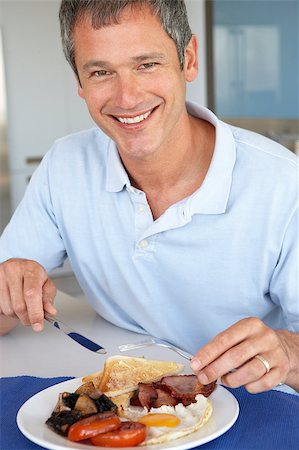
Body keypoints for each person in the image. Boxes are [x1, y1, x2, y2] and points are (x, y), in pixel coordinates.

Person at [0, 0, 298, 394]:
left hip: (251, 400)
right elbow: (6, 306)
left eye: (147, 64)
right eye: (102, 71)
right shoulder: (64, 165)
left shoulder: (283, 185)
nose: (127, 97)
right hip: (119, 389)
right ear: (80, 82)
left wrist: (288, 352)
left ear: (188, 59)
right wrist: (10, 289)